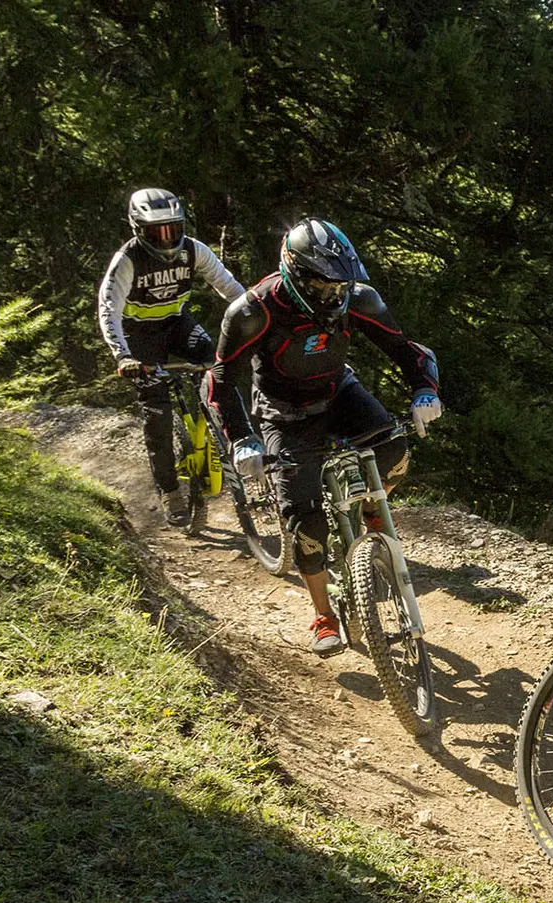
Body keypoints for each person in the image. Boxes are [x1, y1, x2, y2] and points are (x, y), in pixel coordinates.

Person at [205, 218, 442, 657]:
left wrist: (425, 390)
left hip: (339, 393)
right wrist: (242, 439)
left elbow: (406, 350)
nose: (337, 296)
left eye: (343, 285)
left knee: (394, 450)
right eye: (326, 286)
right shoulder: (254, 310)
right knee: (305, 523)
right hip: (284, 415)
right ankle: (323, 615)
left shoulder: (358, 299)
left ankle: (372, 517)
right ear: (296, 275)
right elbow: (221, 379)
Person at [97, 188, 246, 525]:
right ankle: (170, 490)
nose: (166, 240)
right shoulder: (128, 260)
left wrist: (259, 324)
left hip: (176, 324)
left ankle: (243, 441)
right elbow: (109, 311)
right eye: (156, 232)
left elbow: (232, 290)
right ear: (138, 229)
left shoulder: (195, 250)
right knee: (157, 412)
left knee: (221, 367)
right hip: (138, 335)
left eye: (173, 230)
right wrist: (123, 356)